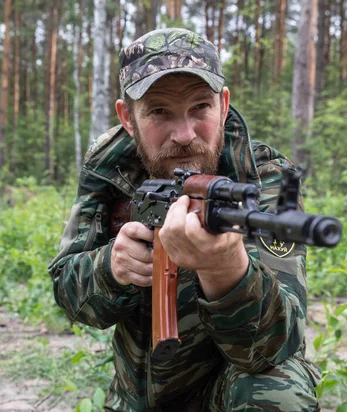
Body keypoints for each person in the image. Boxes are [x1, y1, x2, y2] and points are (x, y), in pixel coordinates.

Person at [48, 28, 321, 411]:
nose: (184, 134)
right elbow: (67, 291)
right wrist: (112, 266)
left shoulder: (266, 178)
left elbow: (275, 346)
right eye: (160, 111)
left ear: (223, 105)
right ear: (128, 117)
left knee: (278, 391)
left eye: (200, 108)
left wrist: (226, 270)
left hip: (228, 392)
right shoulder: (110, 167)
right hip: (138, 398)